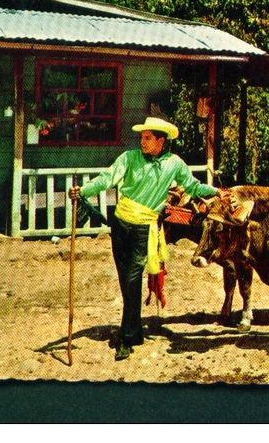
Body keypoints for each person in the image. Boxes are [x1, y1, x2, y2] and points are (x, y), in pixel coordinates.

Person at [69, 117, 217, 360]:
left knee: (132, 278)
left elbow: (192, 187)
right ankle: (135, 330)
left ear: (161, 140)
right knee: (125, 277)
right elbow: (107, 179)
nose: (143, 142)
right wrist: (84, 190)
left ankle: (127, 338)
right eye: (141, 137)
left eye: (148, 138)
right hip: (120, 224)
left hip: (142, 229)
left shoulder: (174, 164)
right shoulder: (129, 158)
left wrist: (216, 191)